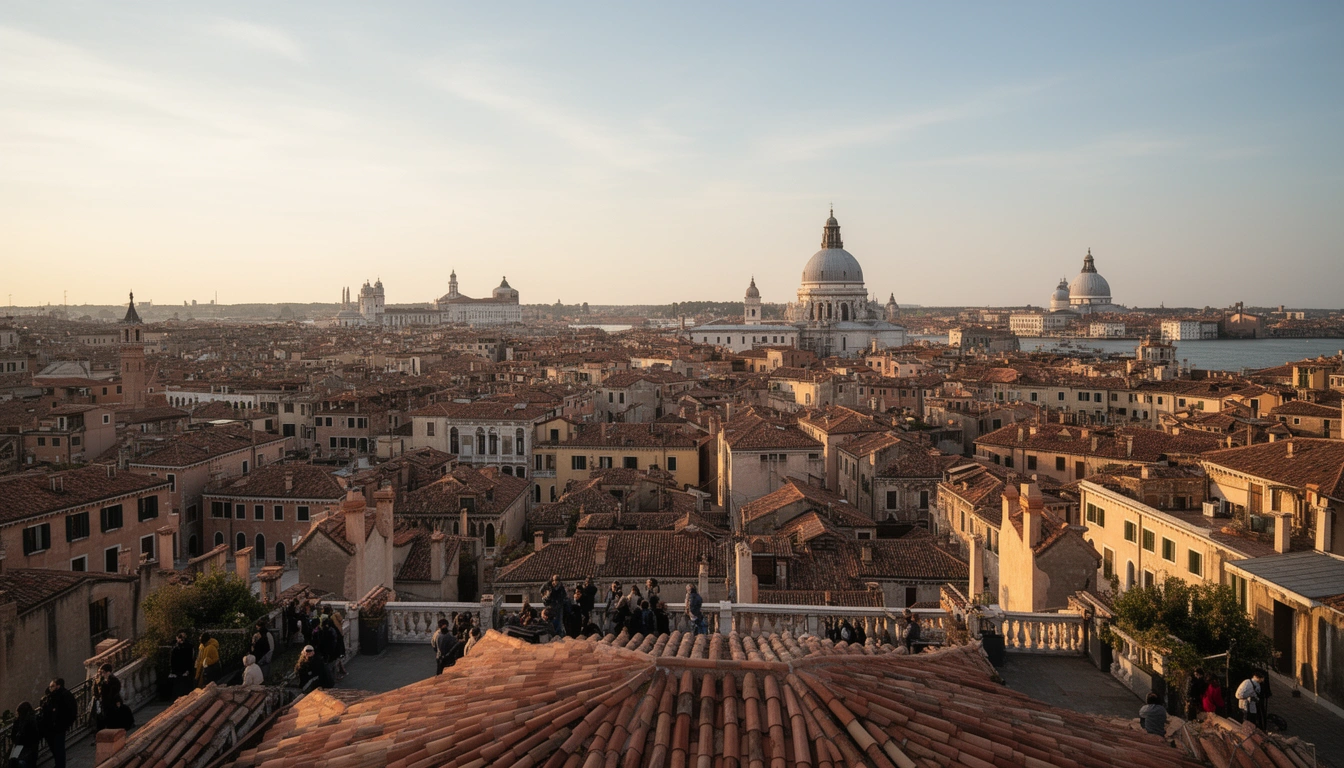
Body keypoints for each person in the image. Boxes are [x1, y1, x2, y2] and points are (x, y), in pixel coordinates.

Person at [39, 678, 77, 768]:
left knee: (59, 749)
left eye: (52, 686)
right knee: (54, 749)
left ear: (58, 686)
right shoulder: (49, 696)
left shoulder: (65, 696)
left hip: (59, 727)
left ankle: (60, 766)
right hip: (49, 728)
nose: (50, 688)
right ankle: (58, 765)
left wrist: (64, 724)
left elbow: (71, 712)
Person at [91, 664, 122, 731]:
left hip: (111, 703)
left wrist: (106, 681)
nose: (101, 674)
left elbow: (115, 691)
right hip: (102, 703)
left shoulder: (114, 680)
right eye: (100, 672)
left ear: (108, 672)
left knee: (112, 720)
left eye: (102, 672)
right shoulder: (99, 680)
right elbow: (95, 690)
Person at [11, 701, 40, 768]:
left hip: (19, 746)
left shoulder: (18, 721)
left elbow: (13, 736)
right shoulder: (33, 719)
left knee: (14, 761)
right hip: (31, 747)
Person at [169, 631, 196, 699]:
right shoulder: (189, 646)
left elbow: (172, 660)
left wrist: (172, 671)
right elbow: (191, 659)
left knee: (180, 688)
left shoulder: (176, 648)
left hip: (181, 670)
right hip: (184, 670)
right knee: (185, 687)